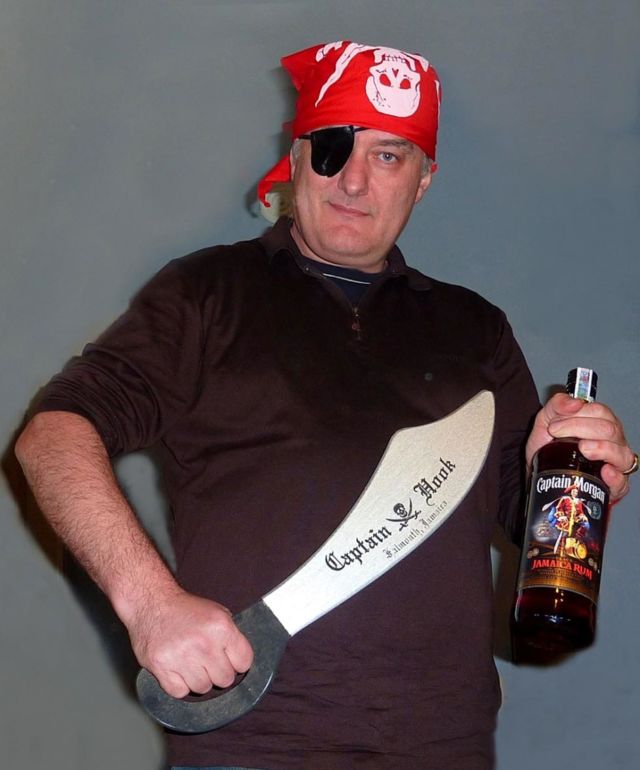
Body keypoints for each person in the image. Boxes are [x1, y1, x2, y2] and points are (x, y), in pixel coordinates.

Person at [15, 40, 636, 770]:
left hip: (444, 747)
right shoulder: (204, 295)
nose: (353, 180)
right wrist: (150, 603)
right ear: (298, 157)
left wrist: (576, 476)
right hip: (252, 744)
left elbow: (523, 514)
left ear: (424, 181)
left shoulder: (477, 328)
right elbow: (52, 435)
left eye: (388, 156)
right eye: (332, 148)